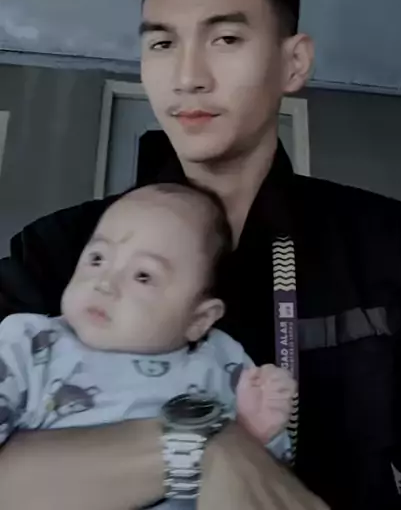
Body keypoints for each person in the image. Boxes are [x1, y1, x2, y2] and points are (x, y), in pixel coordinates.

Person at [0, 0, 401, 509]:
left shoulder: (396, 244)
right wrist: (205, 446)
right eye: (162, 44)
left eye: (225, 39)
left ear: (293, 63)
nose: (187, 78)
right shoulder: (59, 252)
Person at [0, 183, 294, 507]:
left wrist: (257, 432)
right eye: (97, 258)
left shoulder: (220, 361)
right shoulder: (30, 343)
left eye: (143, 276)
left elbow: (267, 484)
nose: (104, 283)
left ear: (198, 319)